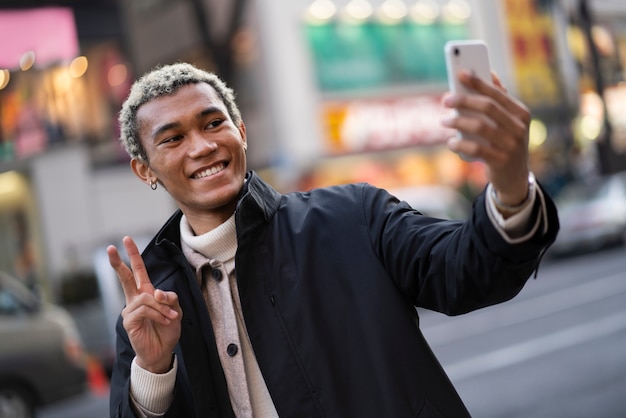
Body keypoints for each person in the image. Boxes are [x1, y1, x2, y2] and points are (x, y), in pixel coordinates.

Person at [107, 62, 559, 418]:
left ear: (240, 132)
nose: (202, 146)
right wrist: (153, 371)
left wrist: (510, 183)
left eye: (212, 123)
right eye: (172, 138)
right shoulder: (147, 306)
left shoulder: (352, 218)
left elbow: (469, 269)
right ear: (145, 169)